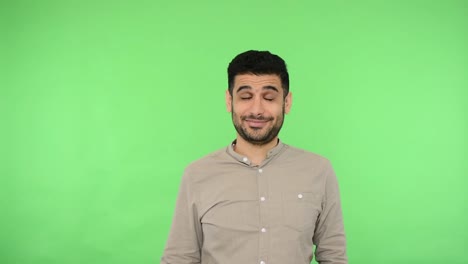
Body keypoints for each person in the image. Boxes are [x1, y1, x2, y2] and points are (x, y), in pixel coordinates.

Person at [161, 50, 347, 264]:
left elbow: (334, 257)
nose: (257, 110)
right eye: (246, 97)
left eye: (269, 97)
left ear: (287, 102)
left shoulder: (319, 171)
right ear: (229, 101)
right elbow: (179, 259)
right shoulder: (196, 174)